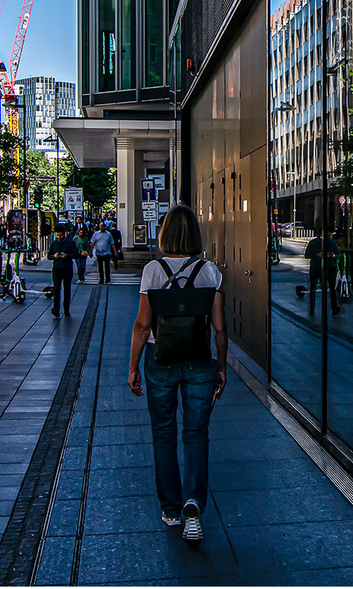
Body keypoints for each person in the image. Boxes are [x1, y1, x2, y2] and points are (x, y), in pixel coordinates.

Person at [128, 205, 225, 544]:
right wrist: (222, 367)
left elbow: (143, 324)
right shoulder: (209, 271)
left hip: (161, 357)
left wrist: (133, 366)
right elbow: (219, 327)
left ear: (165, 233)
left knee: (164, 432)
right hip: (200, 360)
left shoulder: (153, 270)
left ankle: (170, 509)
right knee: (197, 433)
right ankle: (193, 503)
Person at [304, 235, 342, 317]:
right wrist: (318, 255)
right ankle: (333, 309)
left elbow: (338, 255)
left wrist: (333, 256)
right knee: (329, 289)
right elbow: (307, 255)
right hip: (321, 268)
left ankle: (313, 309)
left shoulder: (316, 242)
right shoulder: (328, 243)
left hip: (324, 268)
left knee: (317, 288)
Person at [47, 223, 80, 318]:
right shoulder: (54, 243)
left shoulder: (70, 243)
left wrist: (67, 256)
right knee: (56, 290)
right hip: (57, 269)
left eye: (60, 235)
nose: (59, 237)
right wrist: (54, 256)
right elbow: (49, 256)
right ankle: (56, 310)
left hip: (67, 268)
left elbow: (76, 254)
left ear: (64, 234)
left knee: (67, 290)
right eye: (57, 235)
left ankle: (66, 310)